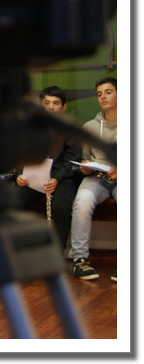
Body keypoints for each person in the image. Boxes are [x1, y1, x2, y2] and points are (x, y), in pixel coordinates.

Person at [12, 86, 82, 253]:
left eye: (56, 103)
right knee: (13, 202)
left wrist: (56, 179)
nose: (50, 107)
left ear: (63, 107)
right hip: (32, 179)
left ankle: (57, 252)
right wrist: (19, 175)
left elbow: (73, 160)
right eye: (46, 103)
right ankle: (15, 251)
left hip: (61, 178)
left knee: (62, 205)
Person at [69, 77, 117, 281]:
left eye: (108, 92)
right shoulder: (89, 126)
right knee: (82, 201)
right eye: (99, 94)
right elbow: (84, 157)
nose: (103, 97)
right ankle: (79, 260)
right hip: (97, 178)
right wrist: (85, 166)